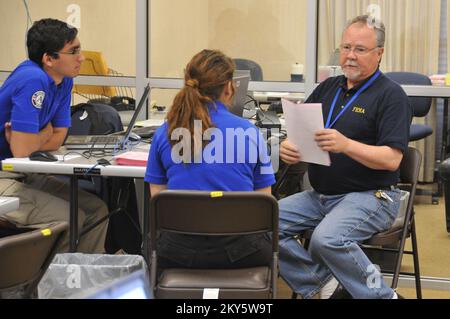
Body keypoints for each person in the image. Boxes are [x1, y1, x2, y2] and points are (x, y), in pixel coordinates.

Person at [278, 15, 412, 299]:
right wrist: (289, 147)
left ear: (379, 54)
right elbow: (302, 132)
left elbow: (391, 160)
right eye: (346, 47)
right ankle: (326, 284)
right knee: (261, 222)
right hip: (320, 195)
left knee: (327, 239)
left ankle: (383, 297)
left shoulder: (392, 96)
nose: (350, 56)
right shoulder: (328, 87)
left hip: (372, 196)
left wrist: (346, 145)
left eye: (360, 49)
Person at [145, 49, 276, 269]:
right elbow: (264, 203)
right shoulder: (250, 132)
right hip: (241, 253)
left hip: (177, 252)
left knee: (149, 241)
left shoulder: (165, 132)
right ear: (228, 88)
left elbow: (157, 200)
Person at [0, 18, 108, 253]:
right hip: (4, 178)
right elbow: (22, 151)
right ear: (49, 59)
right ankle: (53, 287)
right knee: (71, 219)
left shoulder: (64, 80)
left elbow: (58, 136)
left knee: (97, 211)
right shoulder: (33, 80)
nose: (81, 57)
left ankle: (85, 282)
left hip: (24, 174)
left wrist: (36, 138)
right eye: (73, 51)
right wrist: (42, 135)